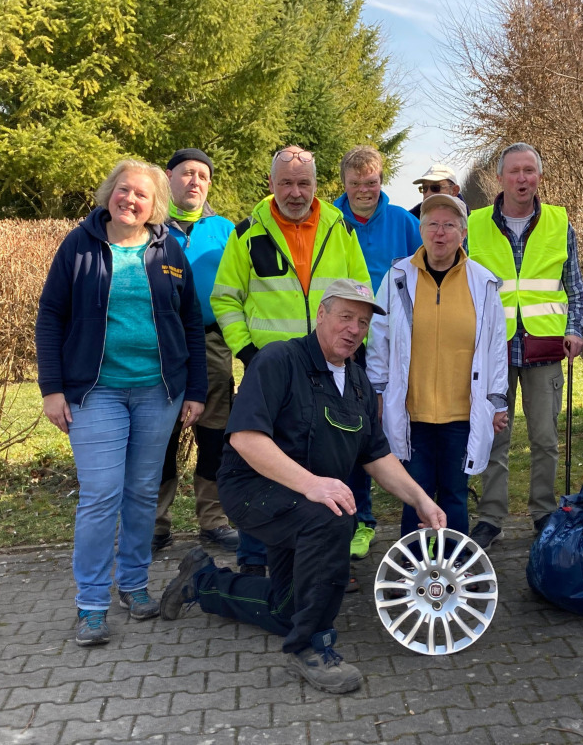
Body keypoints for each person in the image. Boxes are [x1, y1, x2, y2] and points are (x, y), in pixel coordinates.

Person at [159, 280, 446, 695]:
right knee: (333, 521)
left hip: (306, 500)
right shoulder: (279, 360)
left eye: (362, 323)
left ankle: (202, 581)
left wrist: (420, 499)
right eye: (345, 317)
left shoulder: (361, 384)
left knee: (285, 609)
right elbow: (245, 438)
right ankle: (311, 645)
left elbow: (376, 455)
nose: (353, 329)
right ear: (322, 315)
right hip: (252, 490)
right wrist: (312, 485)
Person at [35, 159, 207, 647]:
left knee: (141, 492)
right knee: (101, 494)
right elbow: (51, 315)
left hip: (159, 391)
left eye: (142, 195)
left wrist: (195, 389)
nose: (130, 200)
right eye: (123, 190)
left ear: (155, 207)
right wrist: (52, 388)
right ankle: (91, 603)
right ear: (110, 192)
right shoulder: (79, 244)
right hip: (95, 391)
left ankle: (132, 584)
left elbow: (190, 321)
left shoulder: (168, 247)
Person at [211, 144, 371, 577]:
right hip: (272, 372)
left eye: (304, 183)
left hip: (326, 368)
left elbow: (361, 293)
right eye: (286, 183)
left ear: (318, 186)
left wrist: (350, 347)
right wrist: (247, 351)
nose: (295, 192)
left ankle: (313, 563)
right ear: (271, 184)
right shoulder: (247, 232)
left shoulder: (341, 228)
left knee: (322, 463)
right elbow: (226, 298)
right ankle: (253, 563)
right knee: (262, 462)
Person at [466, 142, 583, 549]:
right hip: (493, 350)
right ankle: (490, 518)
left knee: (545, 438)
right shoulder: (476, 223)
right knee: (494, 437)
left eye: (530, 171)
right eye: (514, 171)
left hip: (545, 347)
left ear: (539, 177)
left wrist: (576, 329)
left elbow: (574, 286)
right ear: (499, 178)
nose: (523, 179)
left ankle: (543, 512)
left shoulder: (559, 223)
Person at [366, 194, 508, 540]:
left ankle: (454, 570)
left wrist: (497, 401)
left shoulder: (483, 282)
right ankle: (413, 569)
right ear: (422, 230)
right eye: (432, 224)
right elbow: (379, 339)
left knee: (455, 495)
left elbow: (495, 349)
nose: (439, 233)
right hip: (412, 413)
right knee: (415, 495)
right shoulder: (399, 276)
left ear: (462, 234)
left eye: (449, 225)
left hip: (462, 413)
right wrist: (379, 392)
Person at [334, 145, 421, 563]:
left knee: (388, 425)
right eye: (356, 184)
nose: (365, 191)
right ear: (344, 185)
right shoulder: (331, 221)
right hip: (344, 340)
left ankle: (417, 504)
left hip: (395, 342)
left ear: (381, 180)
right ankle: (359, 518)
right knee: (348, 430)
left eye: (372, 182)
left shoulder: (405, 222)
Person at [152, 148, 238, 555]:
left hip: (213, 343)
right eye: (187, 173)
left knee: (215, 436)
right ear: (169, 177)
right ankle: (155, 524)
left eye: (203, 176)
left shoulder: (225, 230)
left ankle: (213, 520)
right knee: (160, 438)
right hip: (160, 346)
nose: (195, 181)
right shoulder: (150, 226)